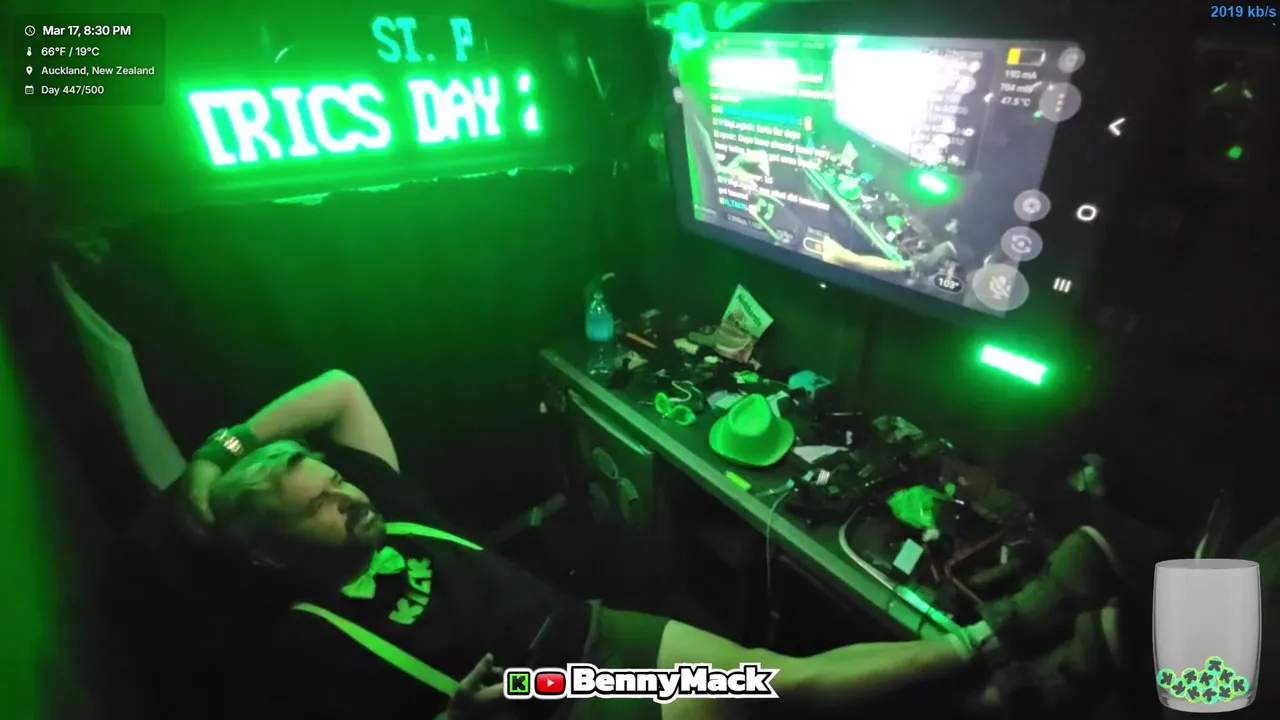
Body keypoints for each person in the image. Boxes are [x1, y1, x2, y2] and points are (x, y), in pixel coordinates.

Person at [186, 370, 1127, 720]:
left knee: (776, 678)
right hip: (549, 702)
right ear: (273, 553)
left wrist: (216, 457)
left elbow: (342, 389)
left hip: (591, 634)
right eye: (320, 507)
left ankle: (999, 655)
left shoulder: (387, 504)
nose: (349, 495)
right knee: (738, 699)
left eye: (334, 478)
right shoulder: (311, 640)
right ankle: (1009, 656)